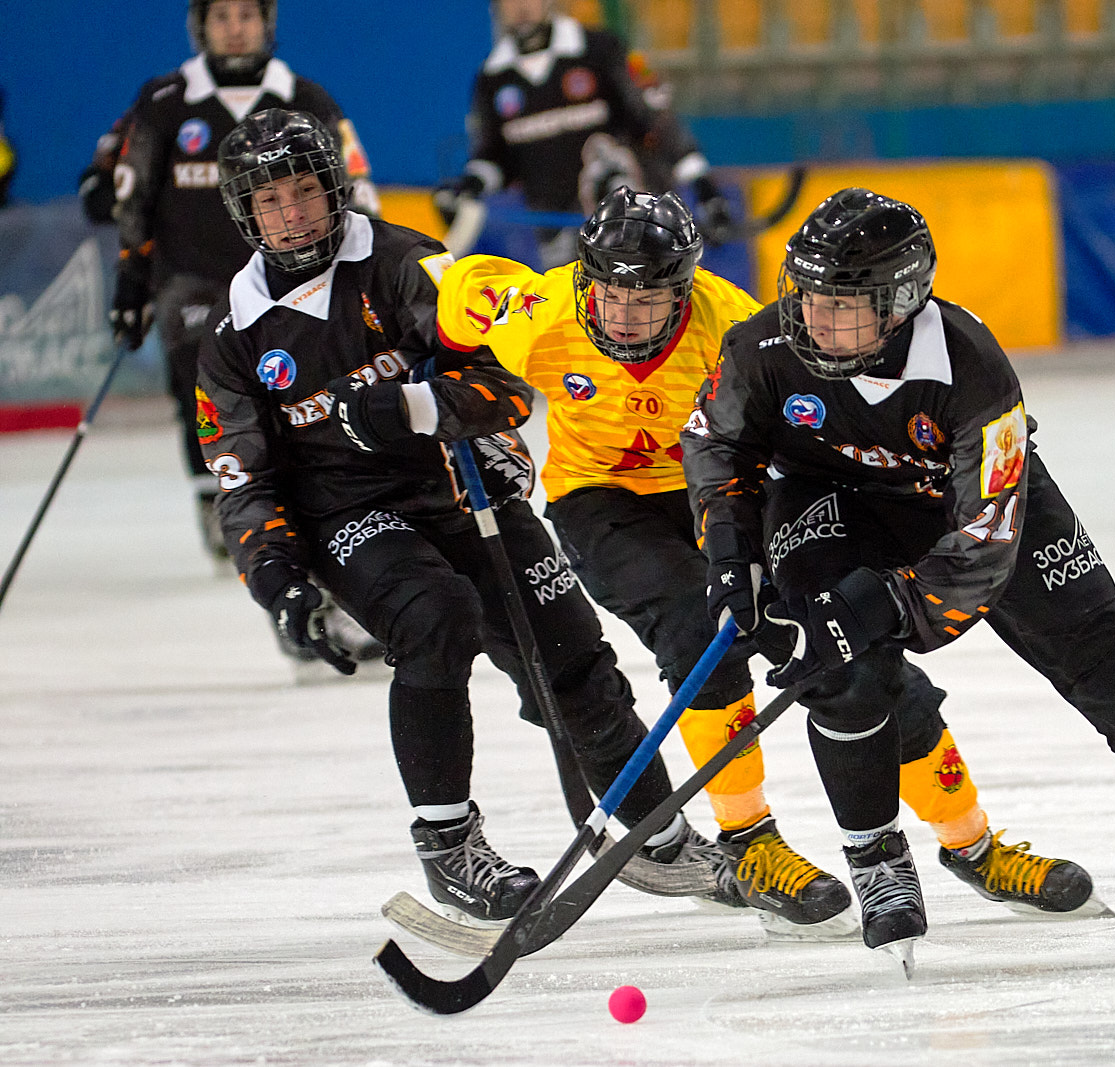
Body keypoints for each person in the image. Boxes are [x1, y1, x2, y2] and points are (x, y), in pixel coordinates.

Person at [680, 187, 1115, 968]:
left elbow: (981, 543)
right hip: (828, 499)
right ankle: (876, 858)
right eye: (806, 296)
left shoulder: (972, 368)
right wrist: (731, 563)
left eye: (843, 305)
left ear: (901, 301)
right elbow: (715, 450)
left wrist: (894, 602)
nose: (815, 320)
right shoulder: (759, 348)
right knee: (844, 670)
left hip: (972, 504)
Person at [431, 186, 1107, 940]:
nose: (623, 314)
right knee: (696, 627)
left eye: (648, 297)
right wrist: (464, 404)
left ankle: (971, 842)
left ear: (684, 288)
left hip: (730, 498)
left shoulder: (732, 323)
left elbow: (769, 436)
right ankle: (750, 843)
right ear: (585, 278)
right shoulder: (535, 311)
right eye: (610, 291)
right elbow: (445, 301)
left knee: (852, 657)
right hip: (604, 501)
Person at [194, 108, 735, 927]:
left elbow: (504, 385)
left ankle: (658, 839)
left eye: (306, 191)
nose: (294, 214)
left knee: (573, 661)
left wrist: (429, 414)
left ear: (334, 185)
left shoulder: (409, 262)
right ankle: (451, 847)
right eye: (271, 202)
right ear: (245, 213)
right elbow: (242, 473)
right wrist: (277, 579)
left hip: (458, 486)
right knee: (434, 617)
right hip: (345, 514)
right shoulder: (232, 336)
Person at [100, 0, 379, 573]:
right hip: (193, 280)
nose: (234, 28)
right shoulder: (166, 101)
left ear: (267, 24)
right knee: (196, 381)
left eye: (246, 16)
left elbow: (354, 186)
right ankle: (218, 495)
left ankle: (319, 497)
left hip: (291, 277)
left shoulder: (308, 99)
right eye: (221, 16)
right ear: (200, 26)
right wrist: (131, 281)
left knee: (307, 385)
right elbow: (133, 197)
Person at [433, 0, 733, 268]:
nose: (520, 6)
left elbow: (656, 123)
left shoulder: (600, 49)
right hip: (560, 241)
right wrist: (470, 184)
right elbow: (494, 160)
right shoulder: (492, 78)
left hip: (638, 228)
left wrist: (703, 186)